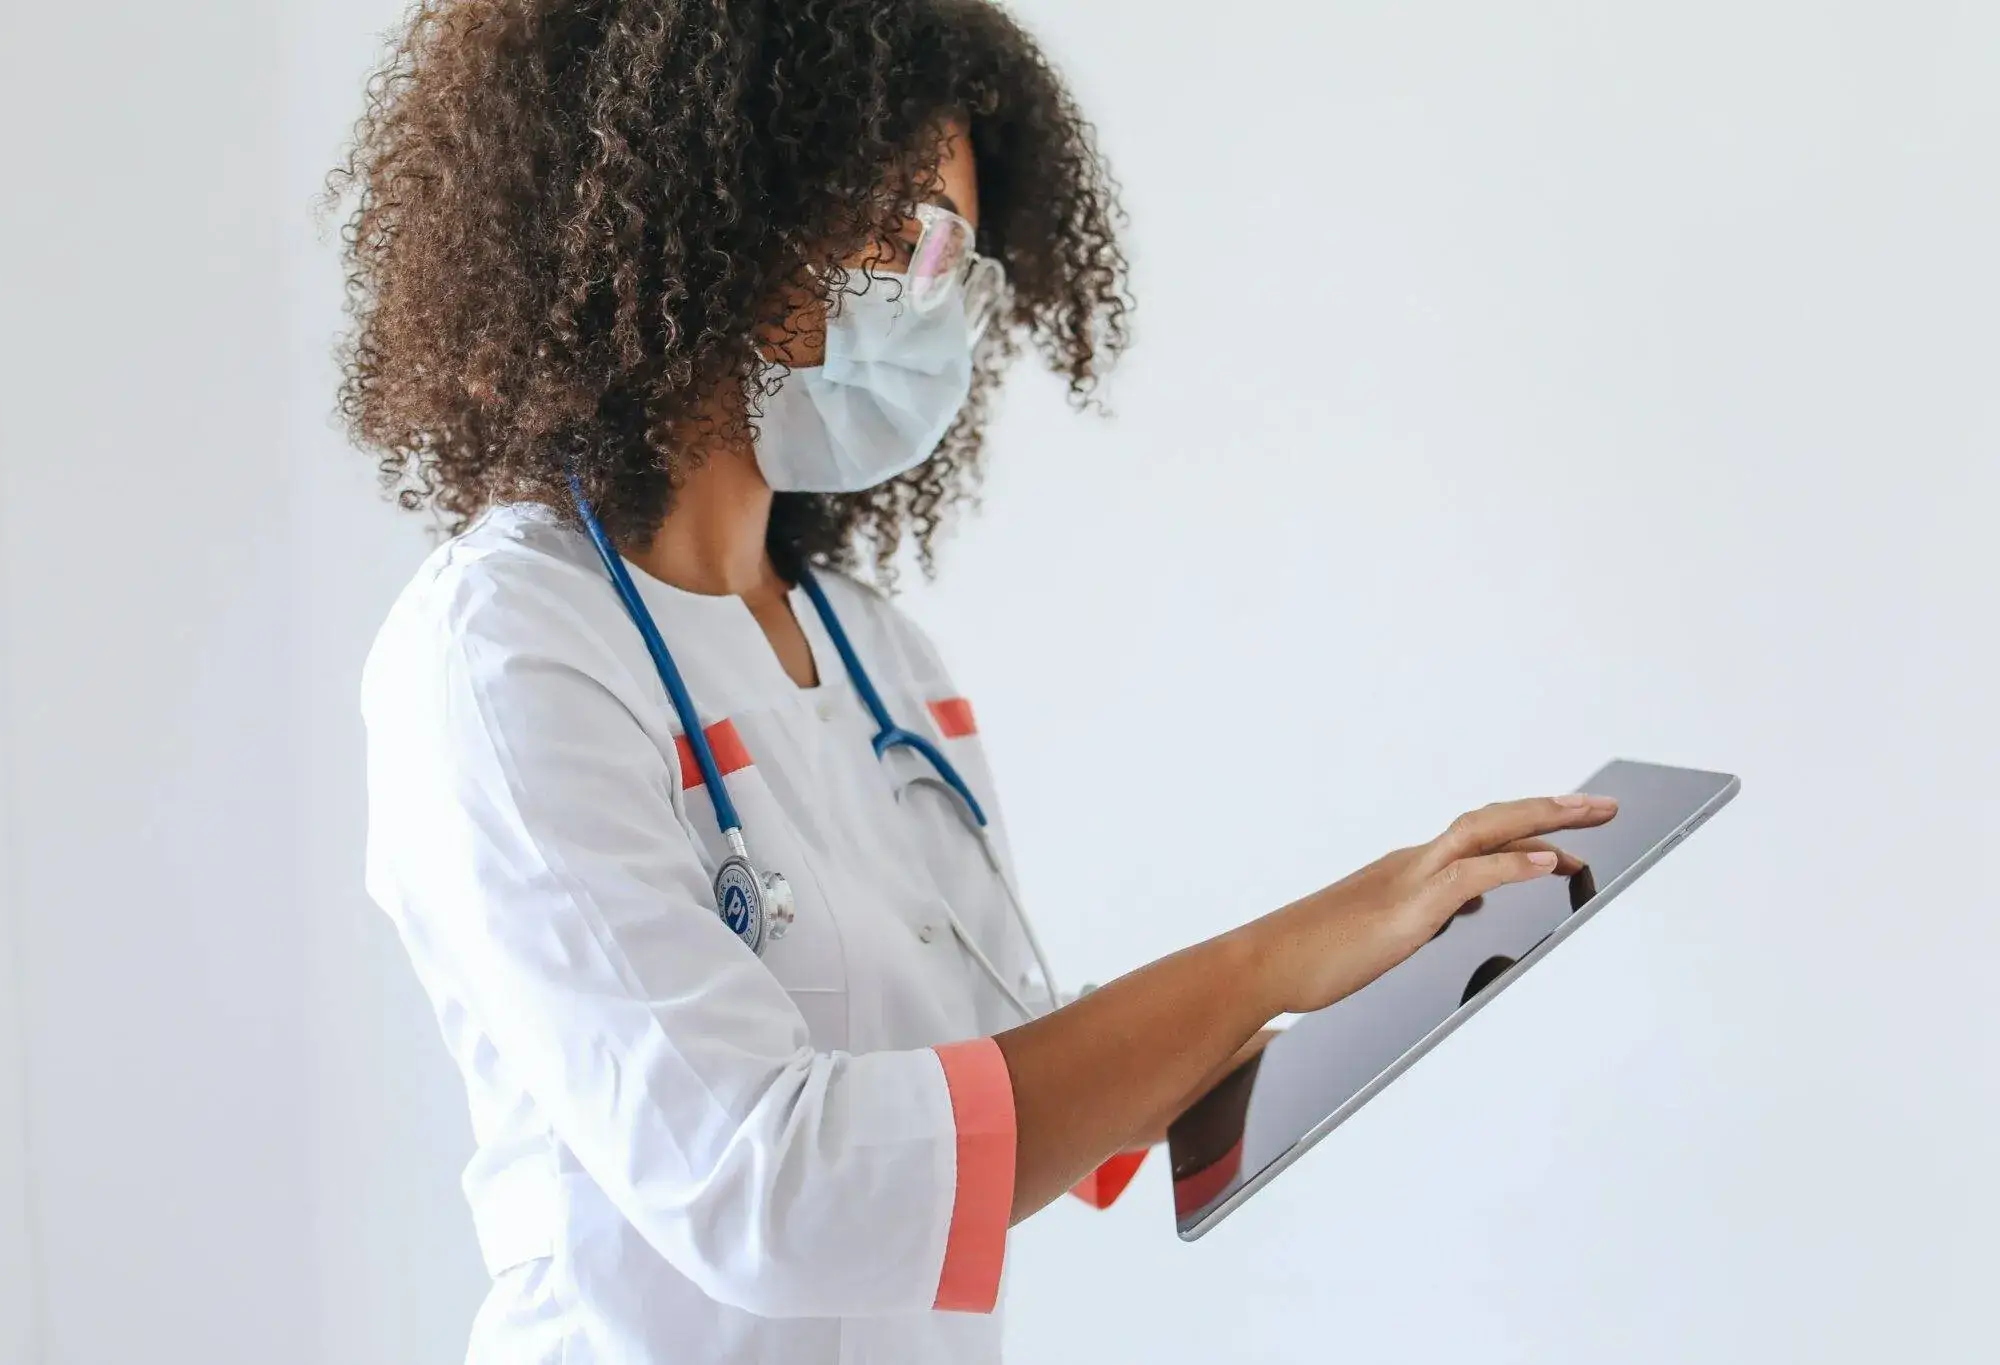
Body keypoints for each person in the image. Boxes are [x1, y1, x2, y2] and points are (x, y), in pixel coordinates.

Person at [335, 2, 1618, 1362]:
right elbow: (781, 1189)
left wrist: (1373, 971)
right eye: (896, 226)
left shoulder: (879, 658)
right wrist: (1268, 961)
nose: (930, 286)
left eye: (952, 242)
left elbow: (996, 1084)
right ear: (709, 203)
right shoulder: (501, 651)